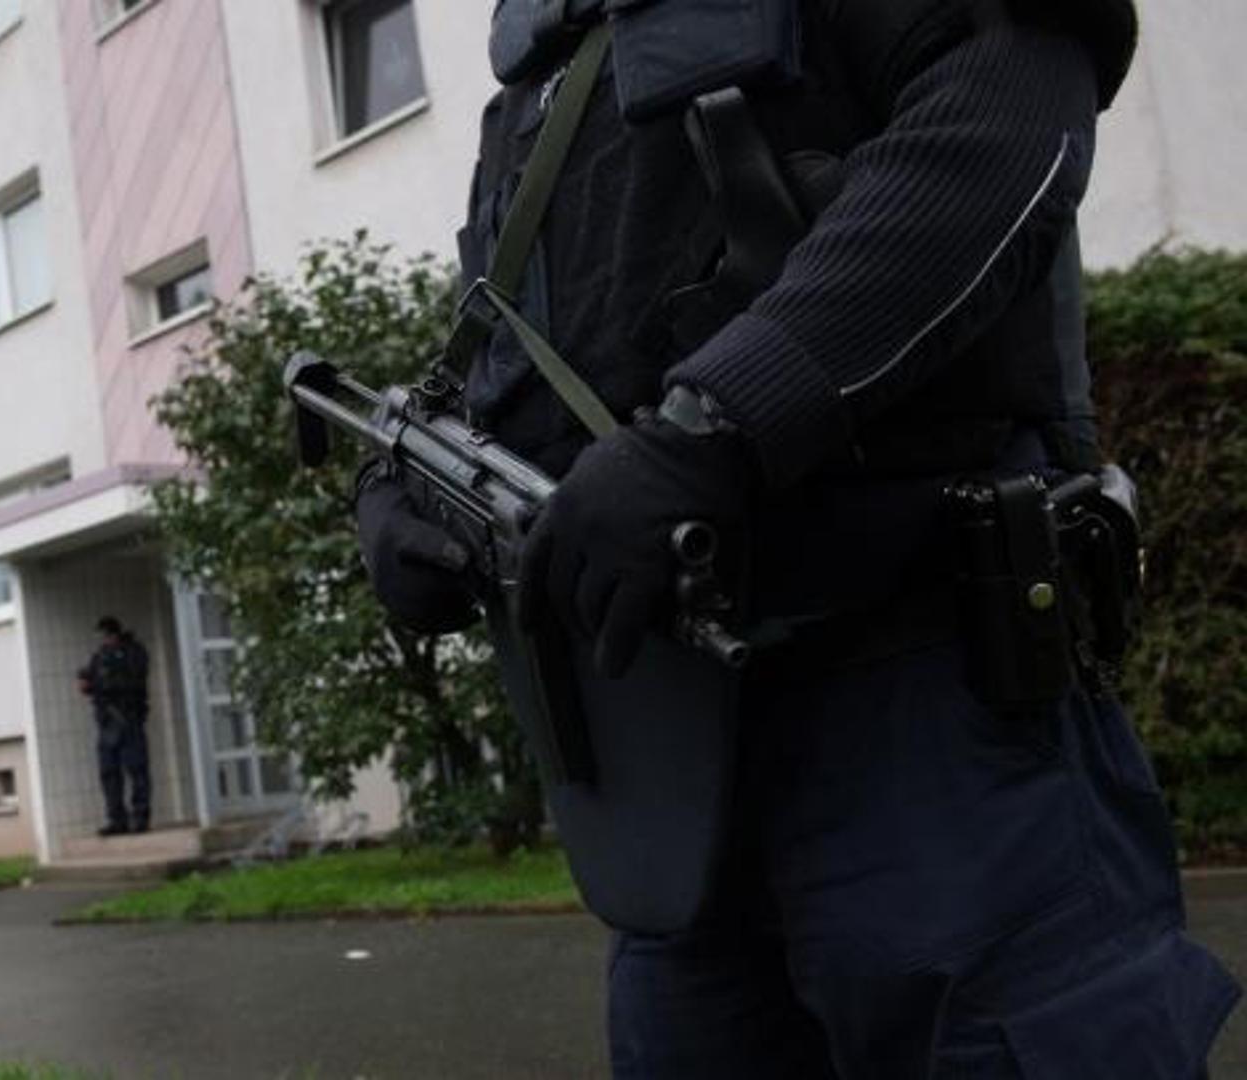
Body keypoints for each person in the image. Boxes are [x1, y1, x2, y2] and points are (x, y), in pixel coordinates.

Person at [355, 0, 1239, 1074]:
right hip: (668, 766)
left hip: (928, 716)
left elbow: (1005, 123)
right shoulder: (544, 57)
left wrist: (720, 424)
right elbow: (513, 337)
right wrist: (402, 491)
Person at [78, 616, 151, 836]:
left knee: (136, 769)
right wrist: (87, 682)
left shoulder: (133, 652)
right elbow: (91, 681)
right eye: (101, 636)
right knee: (109, 772)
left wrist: (103, 683)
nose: (103, 640)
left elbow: (132, 681)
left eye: (106, 635)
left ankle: (140, 817)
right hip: (107, 721)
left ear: (114, 634)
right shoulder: (100, 656)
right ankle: (117, 820)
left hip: (128, 718)